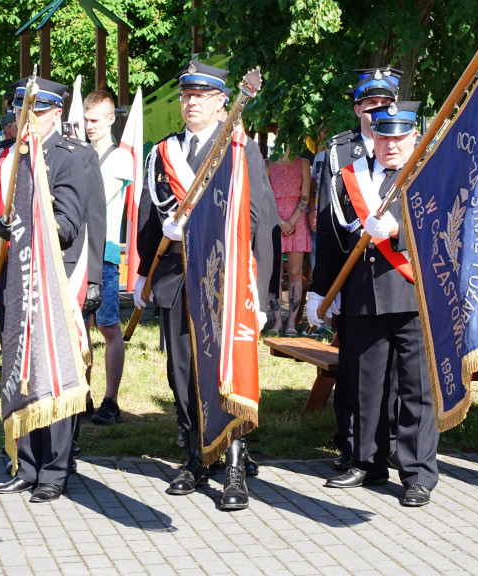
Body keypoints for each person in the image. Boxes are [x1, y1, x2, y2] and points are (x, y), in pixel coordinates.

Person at [134, 62, 275, 510]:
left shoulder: (238, 147)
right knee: (182, 374)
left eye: (201, 96)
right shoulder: (163, 153)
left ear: (220, 101)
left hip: (224, 282)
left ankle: (233, 464)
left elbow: (260, 221)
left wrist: (265, 294)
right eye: (185, 95)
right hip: (175, 277)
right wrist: (143, 271)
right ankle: (197, 457)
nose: (191, 103)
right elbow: (146, 216)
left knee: (223, 372)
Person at [310, 101, 437, 507]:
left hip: (413, 297)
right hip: (363, 297)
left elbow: (442, 233)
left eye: (400, 137)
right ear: (373, 139)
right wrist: (319, 290)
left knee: (416, 390)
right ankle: (368, 462)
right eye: (384, 137)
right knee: (365, 387)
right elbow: (331, 238)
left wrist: (398, 230)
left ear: (413, 137)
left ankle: (417, 473)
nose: (392, 145)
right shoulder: (349, 178)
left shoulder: (426, 177)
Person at [0, 77, 105, 503]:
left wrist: (26, 227)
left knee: (55, 373)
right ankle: (26, 464)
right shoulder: (10, 157)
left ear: (56, 113)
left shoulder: (71, 156)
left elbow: (70, 221)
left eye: (34, 112)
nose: (27, 120)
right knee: (20, 366)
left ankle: (55, 471)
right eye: (22, 112)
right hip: (19, 279)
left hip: (57, 278)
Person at [311, 66, 402, 472]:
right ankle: (351, 445)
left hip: (400, 278)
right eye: (370, 104)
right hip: (354, 279)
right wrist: (321, 287)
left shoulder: (408, 147)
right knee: (353, 367)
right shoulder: (338, 154)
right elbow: (329, 224)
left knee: (399, 374)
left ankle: (395, 444)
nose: (377, 110)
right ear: (357, 109)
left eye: (385, 104)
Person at [82, 90, 133, 426]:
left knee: (108, 326)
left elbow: (95, 201)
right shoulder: (81, 155)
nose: (89, 127)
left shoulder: (120, 158)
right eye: (86, 120)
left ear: (112, 119)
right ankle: (80, 396)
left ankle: (110, 401)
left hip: (105, 253)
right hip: (78, 252)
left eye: (95, 120)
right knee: (78, 327)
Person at [266, 145, 311, 336]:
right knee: (273, 273)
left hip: (296, 221)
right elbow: (264, 197)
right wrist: (280, 222)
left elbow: (305, 196)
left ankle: (291, 322)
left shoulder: (303, 164)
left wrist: (291, 222)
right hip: (273, 220)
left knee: (295, 273)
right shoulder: (267, 165)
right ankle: (276, 321)